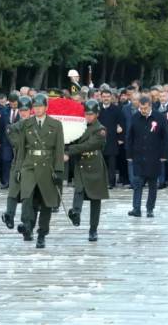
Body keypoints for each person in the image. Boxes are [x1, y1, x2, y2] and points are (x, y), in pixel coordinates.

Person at [17, 94, 65, 248]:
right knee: (27, 197)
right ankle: (27, 224)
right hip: (29, 164)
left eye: (40, 106)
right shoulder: (27, 124)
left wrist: (58, 170)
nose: (37, 109)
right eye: (35, 107)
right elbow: (21, 149)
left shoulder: (56, 125)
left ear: (46, 107)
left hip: (47, 165)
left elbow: (59, 149)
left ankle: (42, 233)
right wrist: (18, 169)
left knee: (46, 202)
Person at [66, 100, 109, 242]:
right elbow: (72, 139)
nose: (88, 116)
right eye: (86, 114)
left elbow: (89, 145)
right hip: (80, 163)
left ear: (97, 114)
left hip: (94, 164)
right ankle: (76, 213)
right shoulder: (79, 126)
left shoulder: (100, 129)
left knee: (95, 198)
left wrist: (69, 151)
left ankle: (93, 229)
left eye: (91, 114)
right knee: (78, 189)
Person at [126, 96, 167, 218]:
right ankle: (136, 208)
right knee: (137, 183)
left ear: (150, 105)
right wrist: (129, 154)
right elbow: (130, 137)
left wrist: (164, 154)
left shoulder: (159, 117)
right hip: (138, 155)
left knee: (153, 184)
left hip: (154, 156)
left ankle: (150, 209)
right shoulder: (135, 117)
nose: (143, 110)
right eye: (141, 108)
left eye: (145, 108)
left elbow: (165, 137)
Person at [1, 96, 33, 229]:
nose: (23, 113)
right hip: (18, 162)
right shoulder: (12, 127)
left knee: (27, 194)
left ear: (31, 110)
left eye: (26, 110)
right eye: (21, 110)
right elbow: (18, 144)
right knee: (13, 191)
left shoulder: (37, 125)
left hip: (32, 164)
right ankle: (9, 215)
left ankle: (26, 221)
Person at [98, 88, 125, 189]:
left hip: (112, 140)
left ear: (111, 97)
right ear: (101, 97)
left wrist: (121, 138)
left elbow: (122, 124)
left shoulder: (117, 109)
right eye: (104, 97)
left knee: (112, 163)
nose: (106, 99)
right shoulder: (97, 109)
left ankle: (111, 182)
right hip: (99, 140)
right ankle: (101, 182)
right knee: (100, 162)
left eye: (108, 97)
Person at [0, 93, 21, 190]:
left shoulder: (23, 111)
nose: (13, 105)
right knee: (6, 161)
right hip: (6, 141)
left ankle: (18, 182)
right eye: (11, 103)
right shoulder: (4, 111)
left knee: (18, 162)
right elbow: (0, 126)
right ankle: (6, 181)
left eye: (15, 103)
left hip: (19, 141)